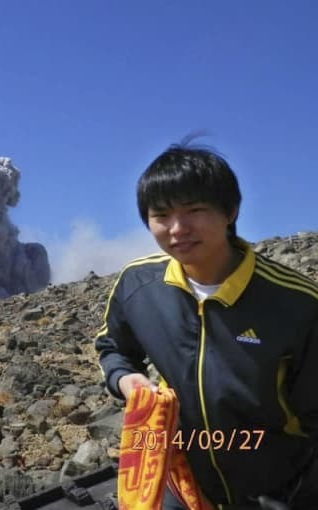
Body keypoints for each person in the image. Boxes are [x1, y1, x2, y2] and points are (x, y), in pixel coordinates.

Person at [95, 142, 318, 509]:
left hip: (279, 490)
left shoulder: (296, 302)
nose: (178, 228)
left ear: (230, 211)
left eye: (195, 210)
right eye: (162, 215)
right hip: (181, 478)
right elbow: (113, 347)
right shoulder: (139, 286)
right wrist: (124, 379)